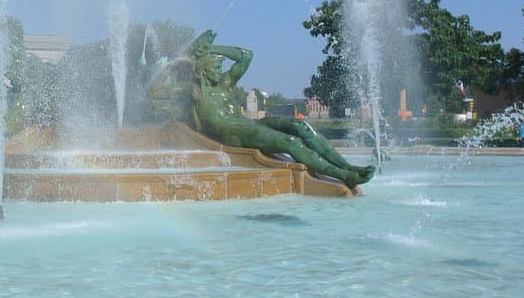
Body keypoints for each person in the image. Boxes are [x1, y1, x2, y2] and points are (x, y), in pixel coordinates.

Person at [150, 30, 374, 189]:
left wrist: (212, 48)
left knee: (300, 126)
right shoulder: (193, 92)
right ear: (204, 71)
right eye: (217, 67)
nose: (221, 70)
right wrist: (177, 64)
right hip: (233, 134)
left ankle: (348, 166)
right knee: (291, 143)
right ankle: (343, 175)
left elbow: (246, 56)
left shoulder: (226, 83)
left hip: (249, 125)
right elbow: (154, 93)